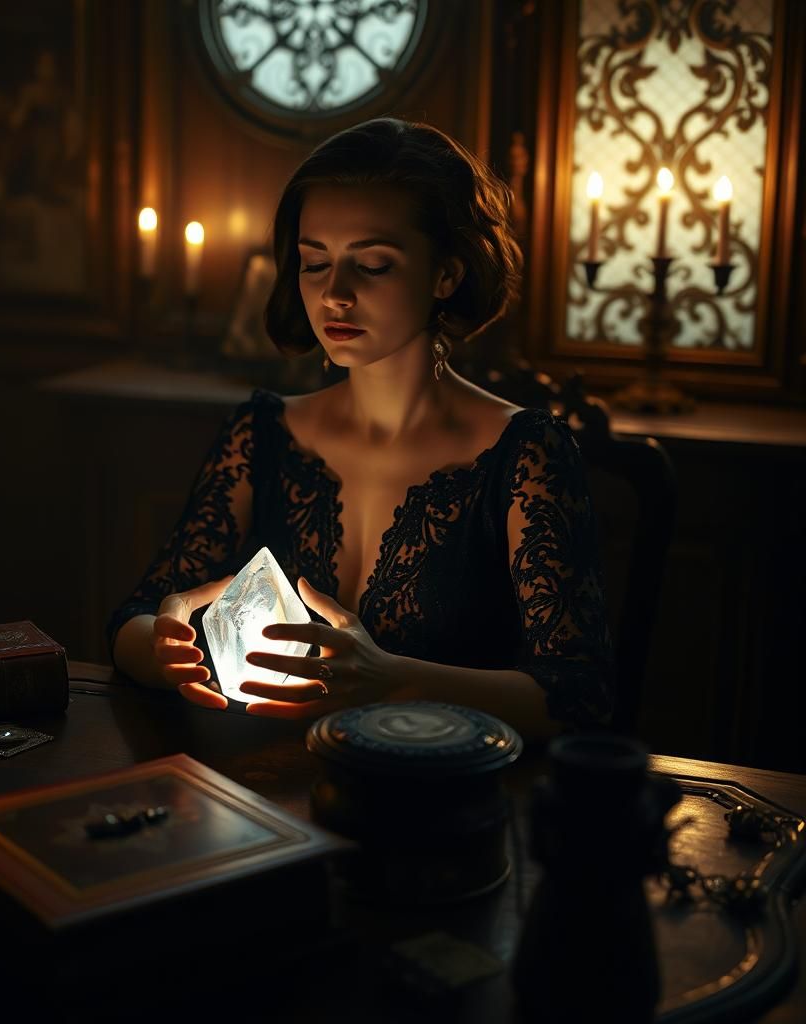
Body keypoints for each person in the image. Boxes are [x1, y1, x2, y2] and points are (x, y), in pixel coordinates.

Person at [109, 118, 613, 740]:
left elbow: (580, 696)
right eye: (314, 263)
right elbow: (134, 620)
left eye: (373, 265)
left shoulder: (524, 455)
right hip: (264, 790)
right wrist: (165, 651)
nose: (335, 295)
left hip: (450, 802)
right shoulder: (263, 433)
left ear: (446, 274)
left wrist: (392, 678)